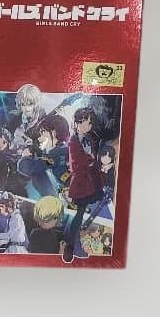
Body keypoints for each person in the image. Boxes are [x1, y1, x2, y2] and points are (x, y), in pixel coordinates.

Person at [62, 107, 103, 263]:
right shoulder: (73, 141)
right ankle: (72, 246)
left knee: (90, 213)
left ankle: (78, 243)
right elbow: (76, 166)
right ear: (76, 123)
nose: (86, 126)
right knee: (78, 216)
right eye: (82, 123)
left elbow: (95, 158)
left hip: (93, 181)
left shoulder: (91, 138)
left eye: (89, 123)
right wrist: (90, 158)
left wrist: (92, 159)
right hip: (80, 185)